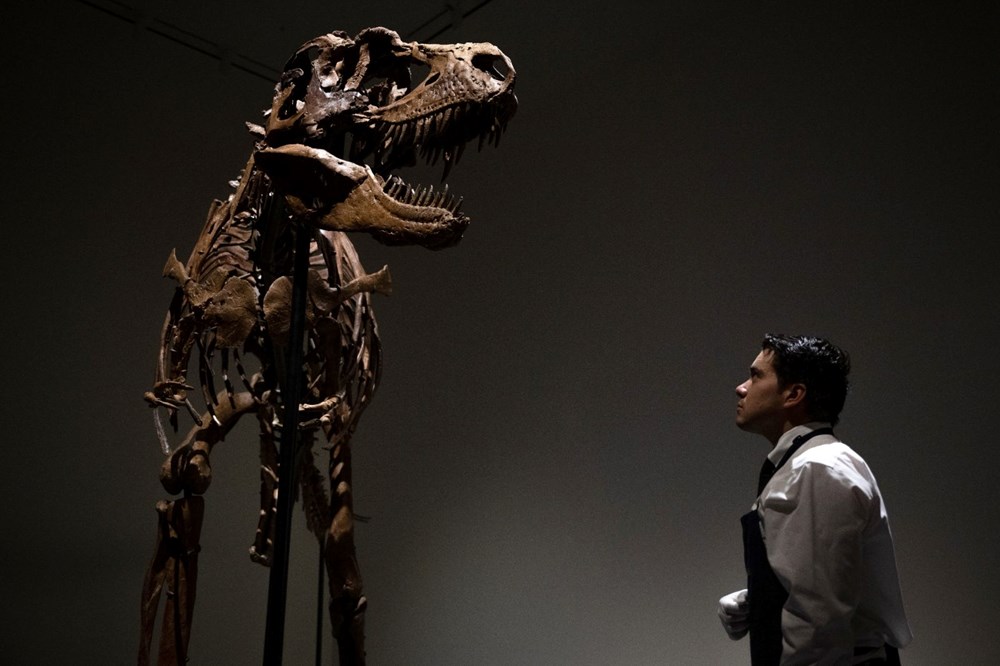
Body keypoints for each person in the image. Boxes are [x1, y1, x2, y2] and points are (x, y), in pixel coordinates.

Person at [718, 334, 912, 665]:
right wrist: (761, 597)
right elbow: (829, 583)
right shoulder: (814, 464)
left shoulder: (816, 468)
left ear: (794, 394)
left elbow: (820, 627)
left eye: (756, 376)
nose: (741, 388)